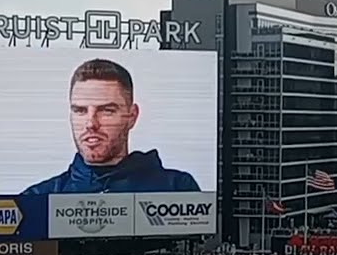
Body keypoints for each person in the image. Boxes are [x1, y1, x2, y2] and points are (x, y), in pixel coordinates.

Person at [20, 59, 201, 195]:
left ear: (132, 116)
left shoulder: (177, 189)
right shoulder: (39, 198)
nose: (91, 124)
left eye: (106, 110)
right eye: (80, 110)